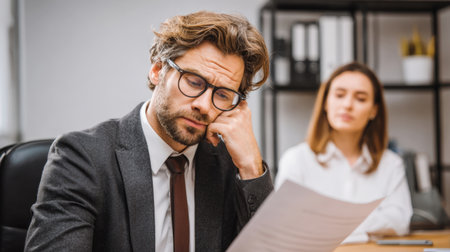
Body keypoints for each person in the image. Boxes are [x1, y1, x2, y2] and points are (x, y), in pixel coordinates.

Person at [25, 11, 273, 252]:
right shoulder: (81, 158)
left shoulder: (231, 165)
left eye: (222, 95)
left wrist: (252, 167)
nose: (205, 106)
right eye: (194, 81)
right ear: (157, 71)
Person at [275, 62, 413, 243]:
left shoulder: (391, 164)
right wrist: (374, 223)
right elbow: (286, 223)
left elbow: (399, 221)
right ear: (325, 102)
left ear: (373, 110)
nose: (347, 105)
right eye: (339, 95)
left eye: (361, 99)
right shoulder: (296, 160)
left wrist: (323, 222)